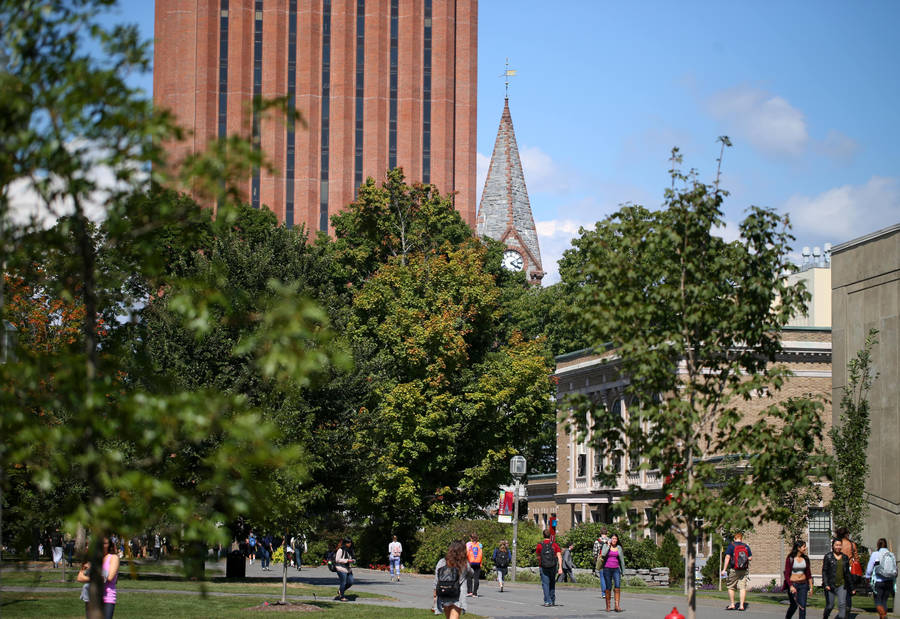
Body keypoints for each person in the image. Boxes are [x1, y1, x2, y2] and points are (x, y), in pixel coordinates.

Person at [78, 537, 120, 618]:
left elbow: (110, 577)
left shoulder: (113, 558)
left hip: (107, 597)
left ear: (109, 545)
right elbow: (80, 577)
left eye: (105, 543)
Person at [434, 540, 474, 618]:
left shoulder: (442, 562)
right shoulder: (464, 564)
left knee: (448, 617)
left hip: (444, 592)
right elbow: (471, 573)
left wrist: (435, 595)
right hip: (458, 594)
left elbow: (436, 580)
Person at [822, 538, 854, 619]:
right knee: (830, 605)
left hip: (842, 585)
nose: (838, 547)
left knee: (842, 604)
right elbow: (824, 571)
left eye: (840, 545)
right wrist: (826, 584)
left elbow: (847, 573)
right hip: (830, 585)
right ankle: (825, 616)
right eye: (836, 545)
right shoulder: (828, 556)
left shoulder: (845, 557)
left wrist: (852, 587)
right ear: (833, 546)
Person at [865, 538, 896, 619]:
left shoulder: (875, 554)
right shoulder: (891, 554)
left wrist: (867, 577)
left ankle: (883, 615)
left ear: (878, 545)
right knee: (884, 601)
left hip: (878, 581)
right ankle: (882, 616)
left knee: (878, 601)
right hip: (889, 581)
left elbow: (869, 568)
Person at [722, 531, 753, 611]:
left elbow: (727, 558)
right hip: (744, 570)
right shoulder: (746, 546)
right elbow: (750, 558)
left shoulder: (731, 546)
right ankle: (742, 606)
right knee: (742, 587)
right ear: (741, 539)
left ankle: (732, 604)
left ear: (734, 538)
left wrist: (724, 570)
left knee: (731, 587)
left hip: (734, 569)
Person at [783, 539, 813, 619]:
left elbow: (808, 574)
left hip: (803, 585)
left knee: (802, 606)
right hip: (793, 584)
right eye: (804, 547)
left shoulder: (805, 559)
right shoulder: (790, 558)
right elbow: (787, 574)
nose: (805, 548)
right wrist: (791, 586)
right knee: (794, 605)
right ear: (799, 548)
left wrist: (811, 586)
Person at [598, 533, 625, 612]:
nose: (614, 540)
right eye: (613, 538)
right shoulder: (606, 546)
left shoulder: (619, 547)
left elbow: (622, 560)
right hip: (607, 569)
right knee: (608, 587)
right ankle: (608, 606)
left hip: (616, 569)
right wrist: (608, 545)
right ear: (610, 539)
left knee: (617, 586)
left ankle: (617, 605)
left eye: (615, 539)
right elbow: (603, 554)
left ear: (617, 540)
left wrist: (623, 570)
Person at [536, 528, 563, 607]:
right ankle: (552, 600)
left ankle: (547, 601)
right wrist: (560, 568)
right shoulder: (554, 545)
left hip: (543, 566)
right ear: (550, 536)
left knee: (545, 584)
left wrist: (541, 561)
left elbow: (538, 556)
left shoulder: (540, 545)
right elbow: (559, 556)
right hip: (553, 566)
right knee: (552, 583)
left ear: (543, 535)